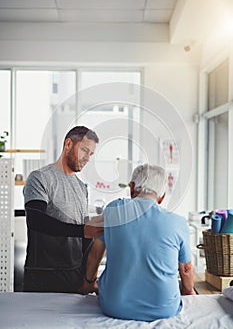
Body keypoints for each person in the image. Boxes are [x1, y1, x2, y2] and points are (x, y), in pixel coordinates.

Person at [79, 164, 195, 321]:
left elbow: (95, 253)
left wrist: (89, 283)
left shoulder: (113, 210)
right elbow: (186, 268)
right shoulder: (178, 222)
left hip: (115, 307)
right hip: (164, 308)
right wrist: (189, 292)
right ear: (161, 197)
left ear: (131, 187)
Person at [23, 125, 104, 293]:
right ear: (68, 144)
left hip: (74, 275)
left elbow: (83, 237)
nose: (87, 158)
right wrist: (83, 230)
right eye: (84, 150)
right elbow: (35, 220)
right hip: (44, 277)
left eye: (91, 154)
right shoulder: (40, 178)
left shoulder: (82, 187)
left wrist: (87, 277)